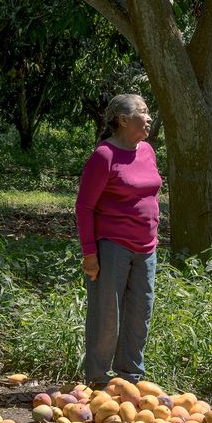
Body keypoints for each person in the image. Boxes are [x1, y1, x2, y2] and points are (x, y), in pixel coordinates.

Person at [75, 93, 162, 389]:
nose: (149, 118)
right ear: (123, 120)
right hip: (112, 244)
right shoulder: (105, 156)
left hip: (147, 246)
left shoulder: (148, 150)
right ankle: (98, 380)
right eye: (144, 112)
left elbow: (150, 191)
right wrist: (90, 253)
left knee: (140, 312)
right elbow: (84, 207)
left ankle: (130, 378)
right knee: (107, 313)